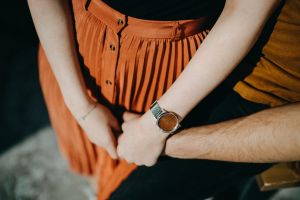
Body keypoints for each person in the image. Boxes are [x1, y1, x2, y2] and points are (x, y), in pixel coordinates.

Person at [27, 0, 284, 199]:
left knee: (131, 170)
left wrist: (155, 125)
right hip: (75, 45)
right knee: (88, 149)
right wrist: (78, 103)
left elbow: (245, 10)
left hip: (170, 72)